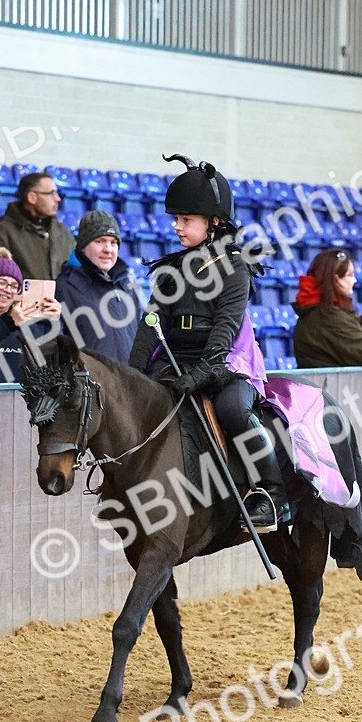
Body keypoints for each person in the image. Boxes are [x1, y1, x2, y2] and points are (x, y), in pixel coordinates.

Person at [128, 153, 288, 533]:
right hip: (176, 361)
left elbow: (225, 329)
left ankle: (273, 494)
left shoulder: (235, 268)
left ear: (213, 222)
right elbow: (150, 325)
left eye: (186, 220)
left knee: (233, 411)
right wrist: (132, 376)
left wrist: (202, 374)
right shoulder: (171, 269)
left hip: (225, 364)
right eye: (176, 220)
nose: (178, 228)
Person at [292, 250, 362, 369]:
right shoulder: (329, 317)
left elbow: (351, 334)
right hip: (328, 386)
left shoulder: (322, 311)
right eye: (350, 275)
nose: (354, 280)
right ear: (336, 279)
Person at [55, 211, 138, 363]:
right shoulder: (63, 287)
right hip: (93, 385)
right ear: (82, 247)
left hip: (130, 384)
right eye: (100, 241)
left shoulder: (127, 285)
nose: (108, 249)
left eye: (113, 243)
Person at [0, 248, 59, 381]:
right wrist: (9, 322)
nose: (7, 290)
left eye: (14, 286)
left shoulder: (24, 321)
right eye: (1, 282)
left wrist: (53, 321)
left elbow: (51, 356)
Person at [0, 171, 76, 281]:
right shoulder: (3, 233)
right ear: (32, 197)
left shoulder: (62, 232)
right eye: (51, 193)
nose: (58, 199)